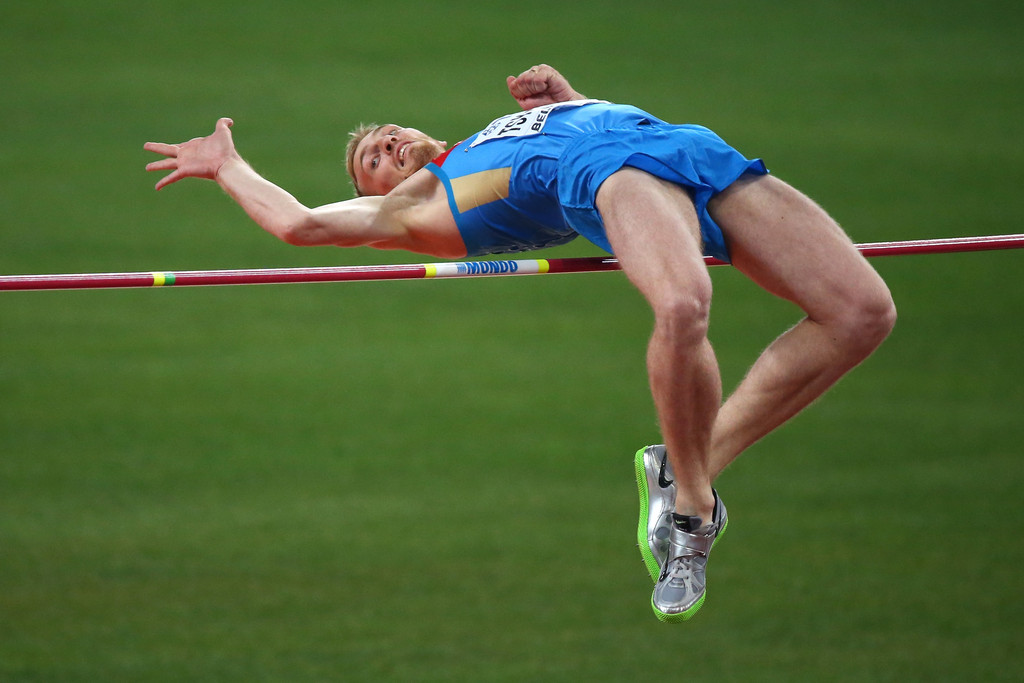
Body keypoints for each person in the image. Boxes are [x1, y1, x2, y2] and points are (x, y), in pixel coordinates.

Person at [145, 64, 896, 623]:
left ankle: (682, 463)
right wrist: (228, 167)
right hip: (609, 172)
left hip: (671, 143)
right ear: (374, 194)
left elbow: (577, 125)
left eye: (386, 134)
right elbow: (298, 223)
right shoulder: (412, 207)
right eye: (371, 158)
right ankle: (693, 514)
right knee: (681, 305)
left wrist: (566, 97)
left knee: (861, 311)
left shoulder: (474, 142)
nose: (386, 144)